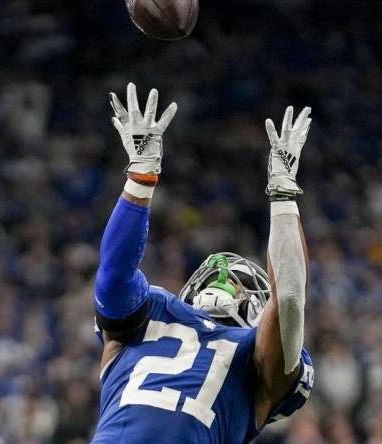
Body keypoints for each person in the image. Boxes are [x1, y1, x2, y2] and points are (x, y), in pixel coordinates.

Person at [91, 83, 314, 443]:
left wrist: (284, 193)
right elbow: (114, 275)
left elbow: (288, 297)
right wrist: (141, 176)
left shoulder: (254, 356)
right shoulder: (151, 313)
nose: (226, 279)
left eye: (240, 280)